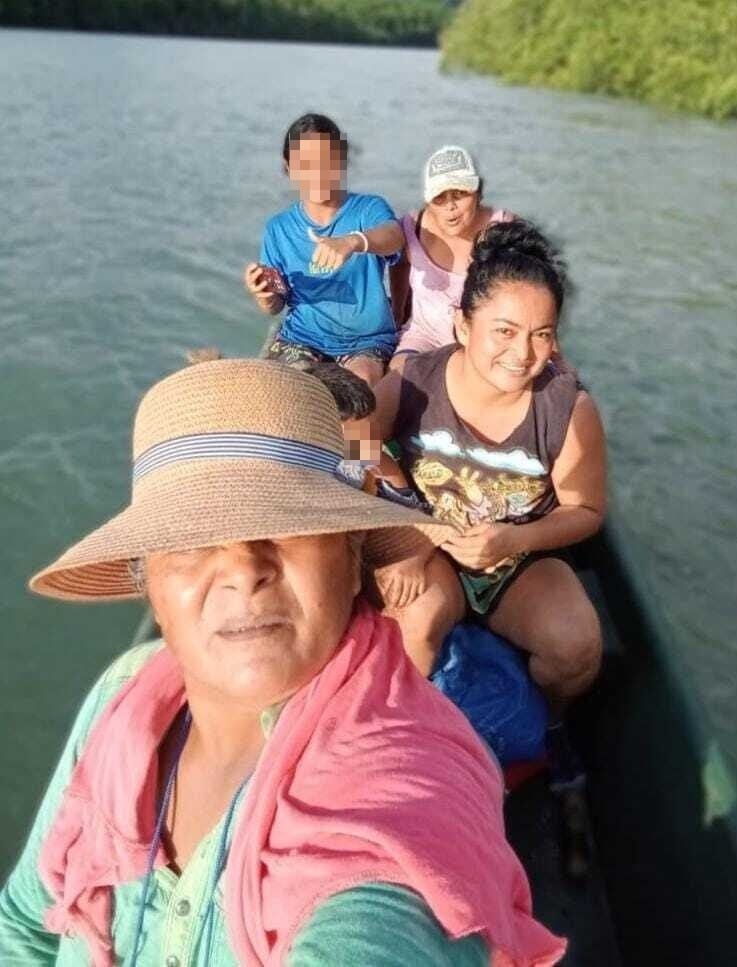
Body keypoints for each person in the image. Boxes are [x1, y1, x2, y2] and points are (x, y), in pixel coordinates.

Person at [0, 359, 565, 966]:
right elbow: (26, 925)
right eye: (191, 539)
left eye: (289, 525)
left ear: (353, 559)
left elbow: (379, 921)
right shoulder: (124, 693)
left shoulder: (408, 785)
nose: (244, 570)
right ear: (153, 588)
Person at [370, 219, 606, 708]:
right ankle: (402, 733)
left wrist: (515, 538)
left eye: (541, 334)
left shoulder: (568, 410)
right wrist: (407, 535)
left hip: (517, 562)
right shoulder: (414, 380)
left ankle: (551, 724)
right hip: (430, 549)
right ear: (462, 323)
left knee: (577, 648)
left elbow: (585, 511)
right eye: (504, 331)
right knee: (413, 625)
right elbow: (353, 445)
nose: (522, 354)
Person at [244, 113, 404, 386]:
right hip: (302, 339)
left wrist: (353, 241)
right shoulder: (278, 228)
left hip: (365, 342)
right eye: (305, 164)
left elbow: (395, 236)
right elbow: (276, 304)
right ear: (289, 167)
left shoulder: (368, 209)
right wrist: (264, 295)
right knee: (285, 392)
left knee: (358, 388)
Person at [389, 145, 516, 370]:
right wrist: (397, 313)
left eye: (460, 194)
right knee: (398, 376)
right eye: (440, 198)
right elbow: (398, 266)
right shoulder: (412, 227)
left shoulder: (504, 228)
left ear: (478, 193)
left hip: (481, 345)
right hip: (422, 337)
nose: (451, 206)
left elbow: (535, 285)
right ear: (429, 201)